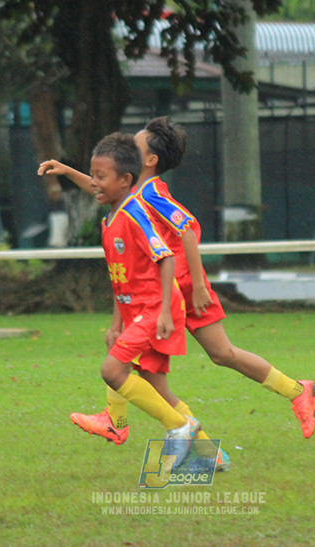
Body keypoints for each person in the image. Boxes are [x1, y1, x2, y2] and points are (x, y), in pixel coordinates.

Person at [39, 117, 315, 458]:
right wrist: (68, 171)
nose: (128, 146)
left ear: (150, 160)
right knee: (164, 373)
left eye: (136, 145)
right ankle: (211, 446)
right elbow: (103, 188)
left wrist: (199, 285)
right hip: (158, 287)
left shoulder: (152, 193)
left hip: (180, 287)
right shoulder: (132, 192)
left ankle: (295, 392)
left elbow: (187, 228)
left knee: (213, 355)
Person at [83, 132, 199, 458]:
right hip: (138, 309)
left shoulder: (135, 214)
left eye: (100, 177)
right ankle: (208, 454)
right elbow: (122, 279)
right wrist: (115, 322)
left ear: (125, 181)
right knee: (154, 386)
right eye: (92, 175)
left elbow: (166, 258)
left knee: (112, 370)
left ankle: (174, 427)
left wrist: (163, 312)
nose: (93, 182)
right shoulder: (110, 220)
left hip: (156, 309)